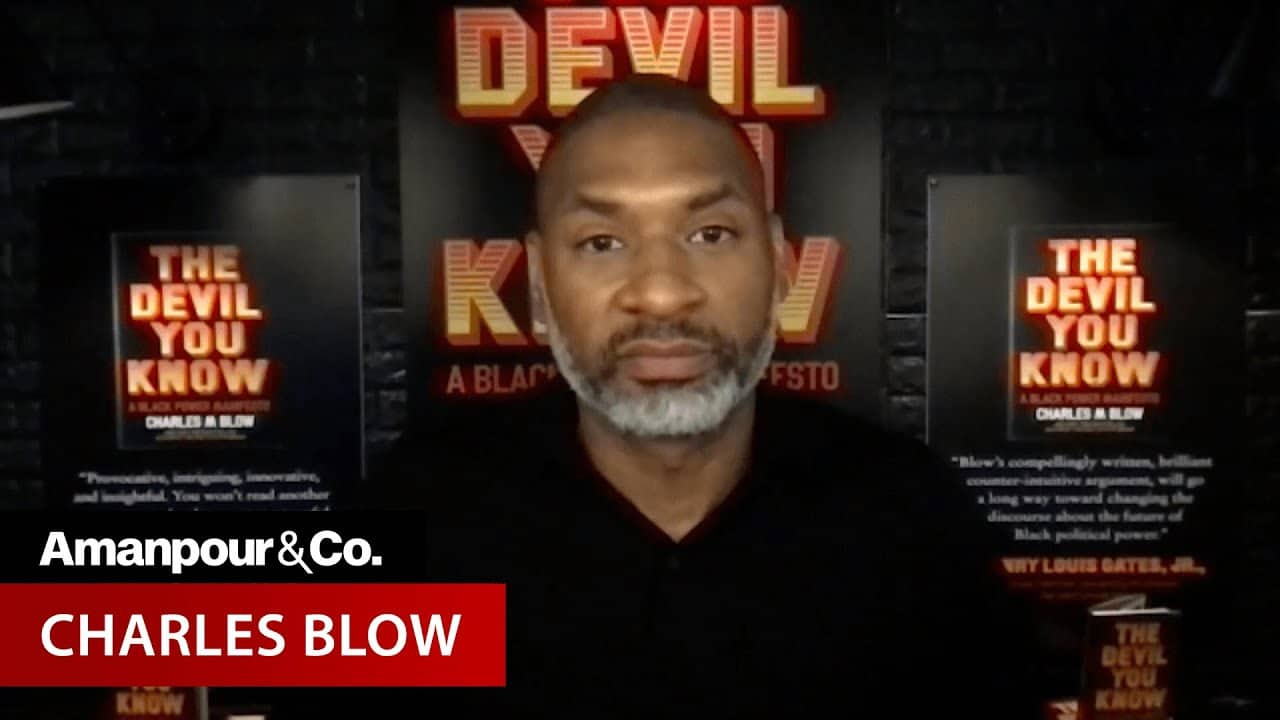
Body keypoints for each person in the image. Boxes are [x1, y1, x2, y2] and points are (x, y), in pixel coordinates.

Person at [356, 73, 1046, 719]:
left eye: (711, 235)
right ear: (538, 287)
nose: (662, 293)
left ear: (781, 266)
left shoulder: (913, 516)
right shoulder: (408, 513)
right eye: (601, 242)